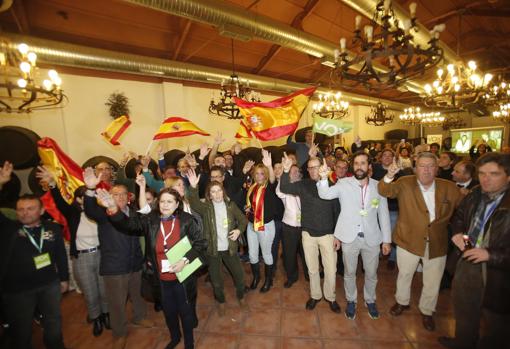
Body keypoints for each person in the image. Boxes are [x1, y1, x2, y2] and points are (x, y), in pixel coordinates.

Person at [99, 182, 206, 349]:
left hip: (183, 276)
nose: (165, 205)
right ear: (158, 203)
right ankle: (175, 338)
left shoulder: (187, 220)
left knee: (185, 312)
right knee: (169, 312)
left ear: (177, 204)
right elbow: (129, 225)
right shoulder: (151, 220)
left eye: (170, 201)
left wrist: (184, 260)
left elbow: (201, 244)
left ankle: (189, 343)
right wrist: (113, 208)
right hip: (161, 278)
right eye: (162, 201)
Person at [378, 152, 462, 331]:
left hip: (437, 242)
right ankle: (402, 302)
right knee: (405, 274)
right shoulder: (404, 183)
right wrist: (389, 176)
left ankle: (427, 311)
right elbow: (384, 190)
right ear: (415, 168)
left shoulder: (450, 188)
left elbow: (463, 212)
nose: (426, 170)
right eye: (422, 166)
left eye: (431, 166)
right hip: (408, 239)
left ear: (437, 169)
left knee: (432, 280)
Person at [439, 153, 510, 349]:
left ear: (508, 176)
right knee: (464, 308)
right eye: (482, 173)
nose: (486, 179)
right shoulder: (476, 193)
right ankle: (463, 342)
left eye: (493, 174)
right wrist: (457, 232)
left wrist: (490, 254)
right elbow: (459, 216)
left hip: (499, 272)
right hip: (468, 260)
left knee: (496, 320)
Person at [0, 161, 69, 349]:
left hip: (49, 285)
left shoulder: (53, 228)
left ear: (41, 210)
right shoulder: (9, 229)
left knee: (53, 323)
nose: (25, 213)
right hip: (18, 291)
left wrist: (64, 278)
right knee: (21, 331)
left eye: (30, 208)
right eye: (21, 209)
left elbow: (61, 255)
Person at [83, 168, 153, 349]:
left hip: (135, 262)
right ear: (109, 197)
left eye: (123, 194)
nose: (120, 197)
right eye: (116, 194)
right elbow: (89, 209)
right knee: (116, 302)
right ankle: (119, 333)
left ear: (128, 197)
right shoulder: (104, 213)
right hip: (114, 266)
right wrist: (90, 190)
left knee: (137, 295)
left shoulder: (134, 212)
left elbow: (147, 216)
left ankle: (140, 317)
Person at [36, 166, 109, 337]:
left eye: (88, 197)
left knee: (104, 288)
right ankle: (96, 318)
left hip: (101, 254)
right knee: (90, 291)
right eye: (82, 198)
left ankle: (106, 315)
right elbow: (59, 201)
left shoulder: (99, 212)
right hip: (82, 257)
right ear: (77, 199)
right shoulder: (72, 213)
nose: (86, 200)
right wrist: (53, 184)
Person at [317, 152, 391, 319]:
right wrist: (322, 178)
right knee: (350, 272)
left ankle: (370, 300)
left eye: (363, 163)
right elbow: (325, 194)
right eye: (356, 163)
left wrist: (386, 240)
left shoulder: (379, 186)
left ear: (369, 166)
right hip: (349, 237)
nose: (359, 166)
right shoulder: (343, 183)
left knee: (371, 273)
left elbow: (384, 215)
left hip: (372, 238)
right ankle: (351, 300)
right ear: (353, 166)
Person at [280, 154, 341, 313]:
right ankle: (315, 295)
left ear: (323, 167)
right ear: (307, 170)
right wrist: (286, 171)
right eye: (310, 167)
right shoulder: (303, 185)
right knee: (312, 269)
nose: (314, 170)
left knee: (330, 270)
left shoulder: (332, 185)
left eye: (316, 167)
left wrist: (337, 236)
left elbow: (338, 212)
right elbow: (284, 188)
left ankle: (331, 297)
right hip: (308, 234)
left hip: (328, 235)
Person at [187, 169, 248, 315]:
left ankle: (241, 296)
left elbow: (243, 220)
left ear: (223, 191)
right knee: (216, 280)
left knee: (240, 276)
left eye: (219, 191)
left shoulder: (230, 206)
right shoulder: (206, 208)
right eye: (213, 192)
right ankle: (221, 301)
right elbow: (193, 202)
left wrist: (239, 230)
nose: (216, 194)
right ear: (209, 195)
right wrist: (193, 187)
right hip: (213, 250)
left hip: (230, 249)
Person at [245, 149, 279, 293]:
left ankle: (268, 280)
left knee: (266, 254)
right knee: (252, 254)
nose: (259, 176)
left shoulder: (269, 187)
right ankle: (256, 277)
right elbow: (250, 203)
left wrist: (270, 166)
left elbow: (272, 179)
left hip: (266, 226)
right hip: (251, 225)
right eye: (257, 173)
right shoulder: (252, 187)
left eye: (262, 173)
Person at [276, 164, 308, 288]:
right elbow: (279, 192)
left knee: (307, 252)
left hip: (305, 225)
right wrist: (284, 173)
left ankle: (309, 274)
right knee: (289, 254)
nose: (295, 173)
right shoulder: (285, 187)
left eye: (297, 171)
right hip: (289, 226)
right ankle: (291, 277)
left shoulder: (305, 185)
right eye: (292, 171)